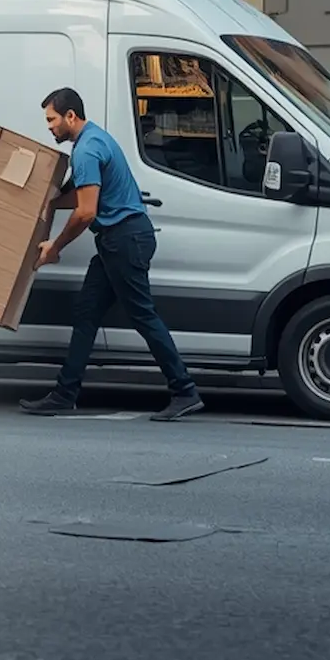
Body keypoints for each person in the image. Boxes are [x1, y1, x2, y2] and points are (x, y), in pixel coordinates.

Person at [19, 87, 203, 422]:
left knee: (143, 316)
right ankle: (64, 394)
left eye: (51, 120)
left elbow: (86, 211)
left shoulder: (86, 150)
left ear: (70, 116)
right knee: (87, 313)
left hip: (124, 240)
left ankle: (184, 390)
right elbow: (80, 195)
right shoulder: (94, 139)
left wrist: (54, 246)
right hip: (118, 240)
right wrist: (45, 201)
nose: (48, 127)